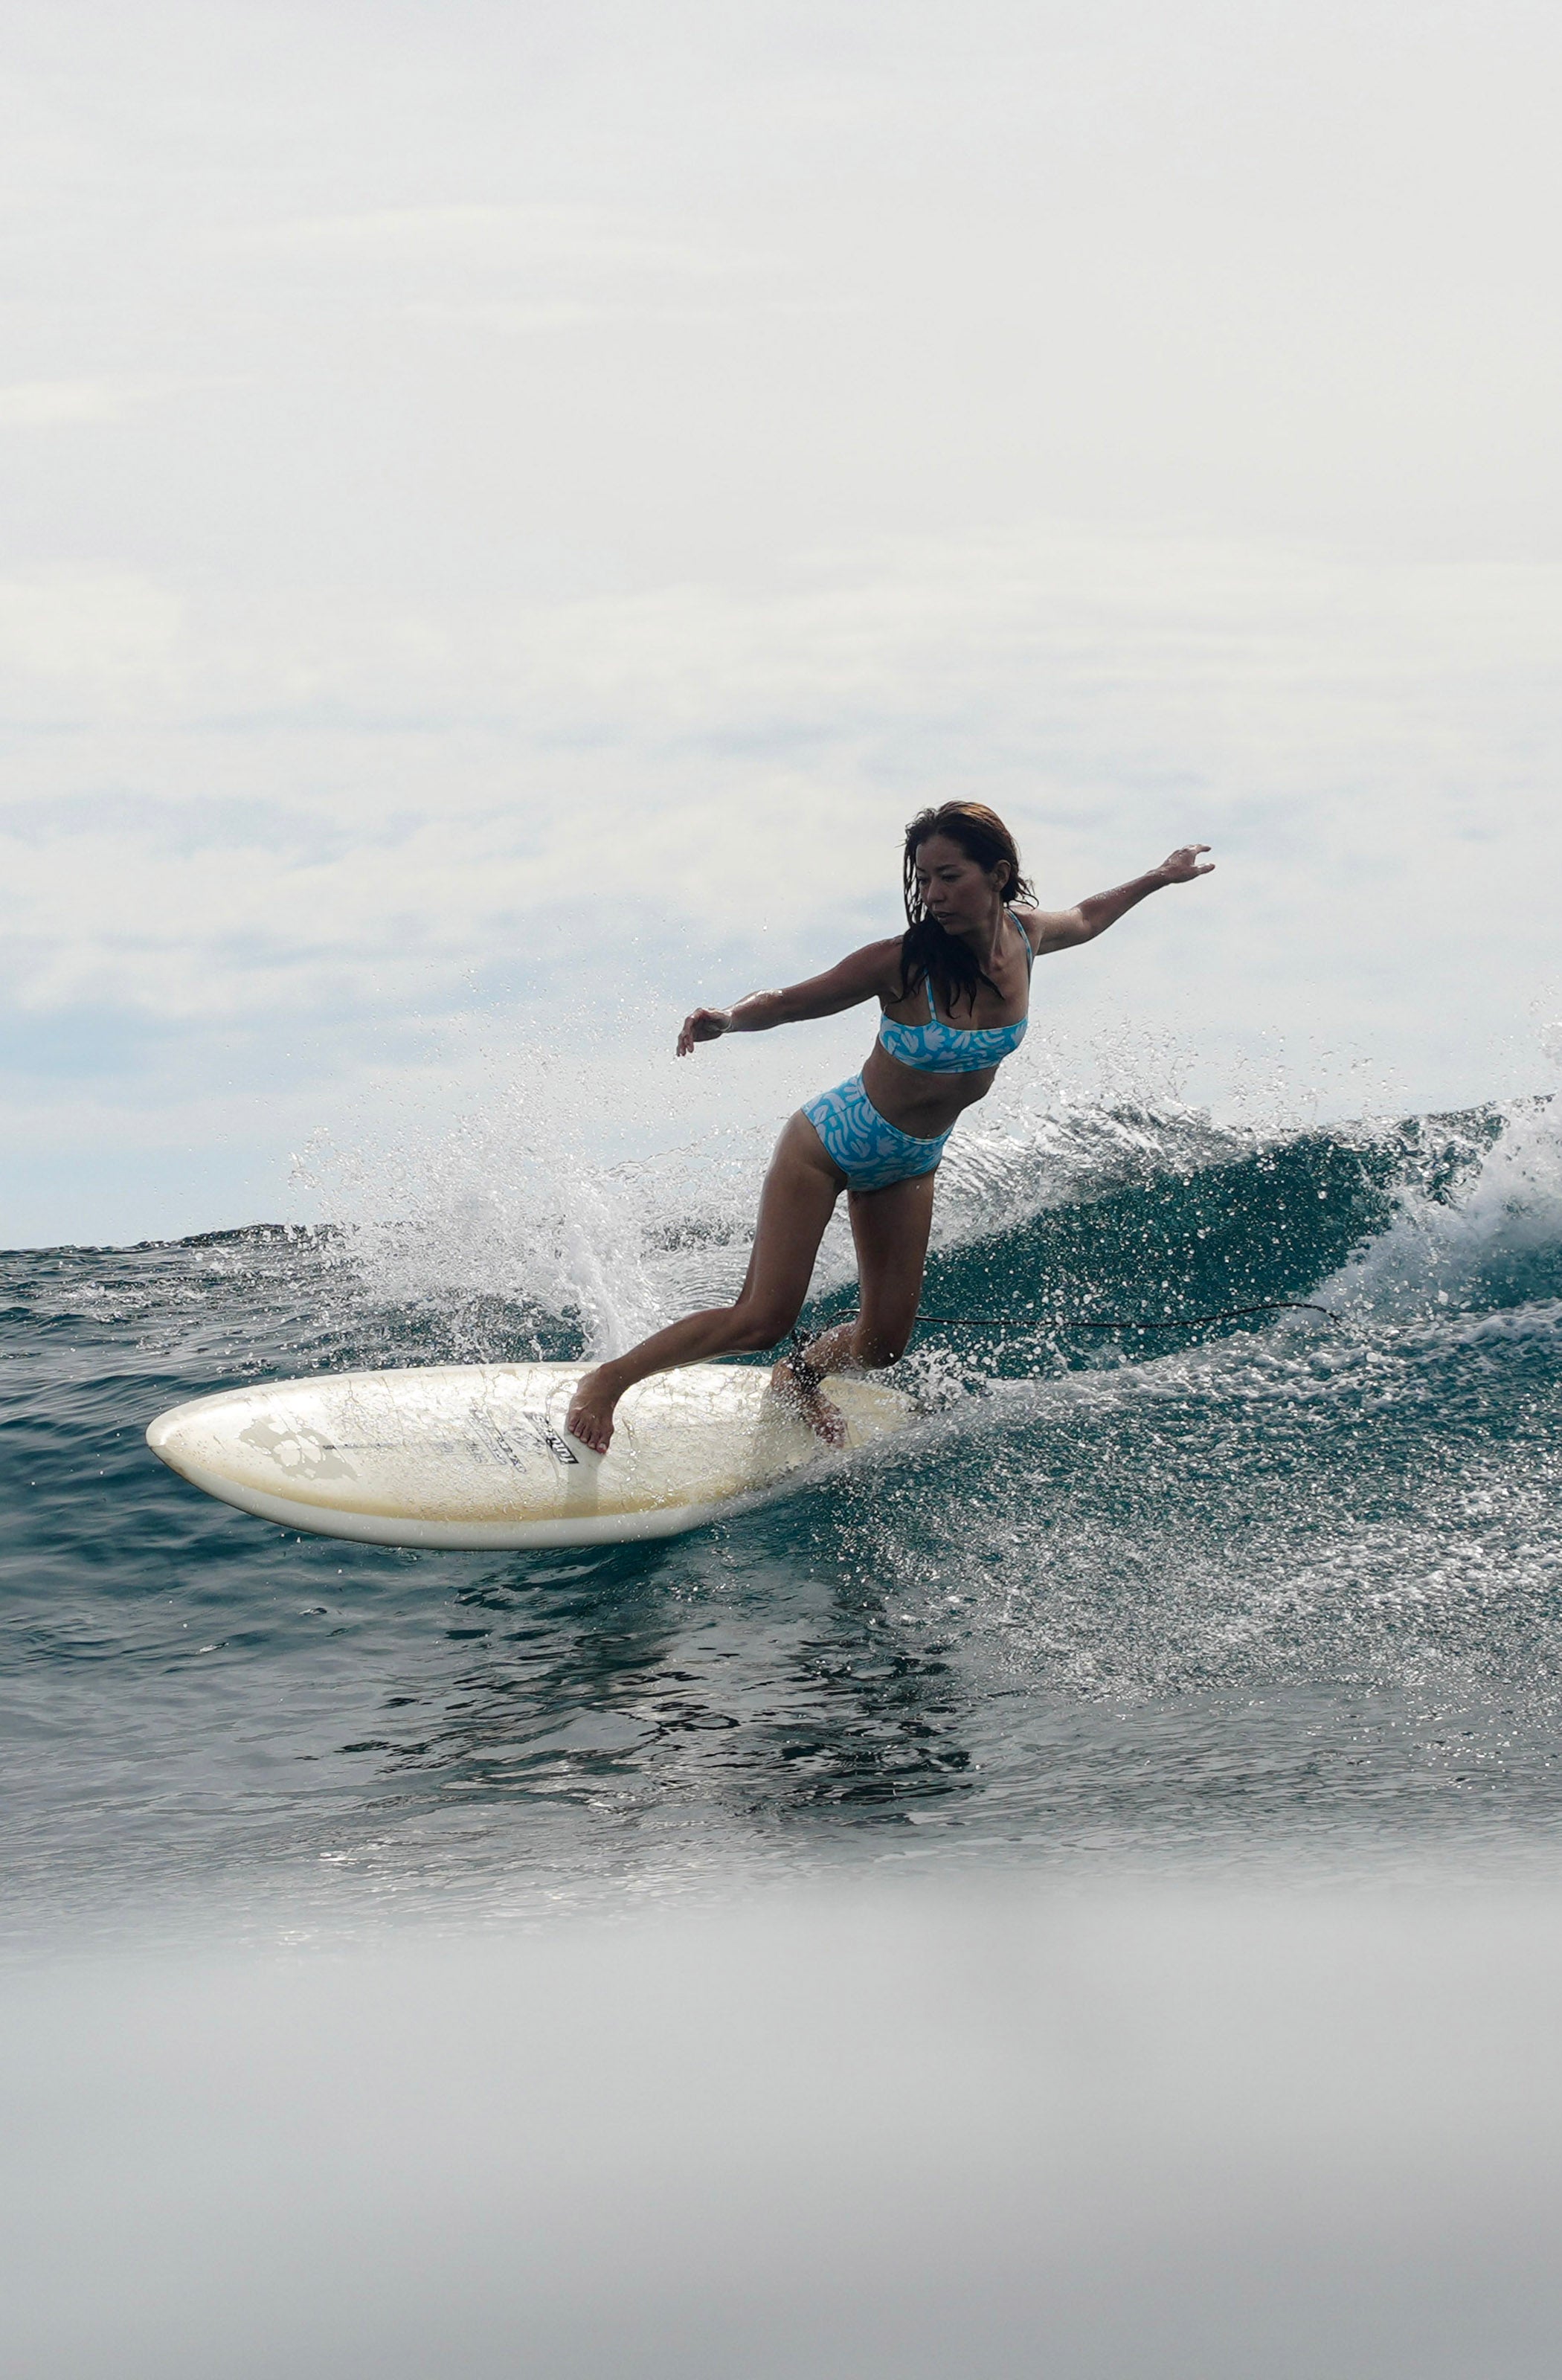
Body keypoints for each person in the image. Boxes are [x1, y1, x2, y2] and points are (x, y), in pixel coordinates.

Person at [565, 804, 1213, 1452]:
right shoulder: (903, 964)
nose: (932, 895)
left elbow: (1089, 917)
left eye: (948, 876)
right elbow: (791, 1001)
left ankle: (799, 1377)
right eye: (923, 879)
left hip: (910, 1163)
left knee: (882, 1344)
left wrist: (1160, 874)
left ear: (998, 875)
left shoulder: (1026, 936)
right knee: (762, 1318)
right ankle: (607, 1382)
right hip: (829, 1145)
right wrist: (729, 1019)